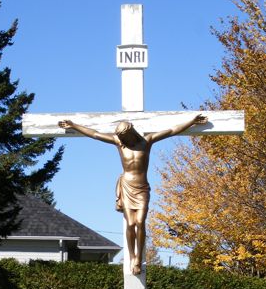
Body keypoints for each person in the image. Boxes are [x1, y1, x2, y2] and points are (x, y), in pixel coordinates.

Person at [58, 114, 207, 275]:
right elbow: (95, 134)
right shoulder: (119, 144)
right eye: (121, 137)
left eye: (125, 136)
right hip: (127, 187)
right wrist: (74, 125)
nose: (123, 140)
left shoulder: (147, 141)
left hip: (142, 188)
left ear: (131, 133)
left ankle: (138, 259)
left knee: (140, 221)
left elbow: (171, 130)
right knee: (130, 224)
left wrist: (191, 122)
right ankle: (132, 256)